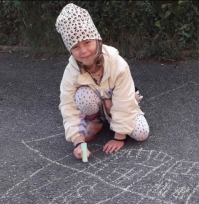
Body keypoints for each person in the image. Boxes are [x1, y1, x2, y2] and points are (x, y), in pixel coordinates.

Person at [55, 3, 149, 160]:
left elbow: (124, 102)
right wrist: (78, 142)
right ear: (70, 50)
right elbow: (68, 105)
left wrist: (119, 137)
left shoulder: (117, 63)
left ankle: (113, 120)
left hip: (118, 104)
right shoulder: (71, 70)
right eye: (76, 46)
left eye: (87, 42)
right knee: (83, 95)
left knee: (141, 133)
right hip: (96, 104)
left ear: (98, 40)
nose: (83, 51)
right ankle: (95, 121)